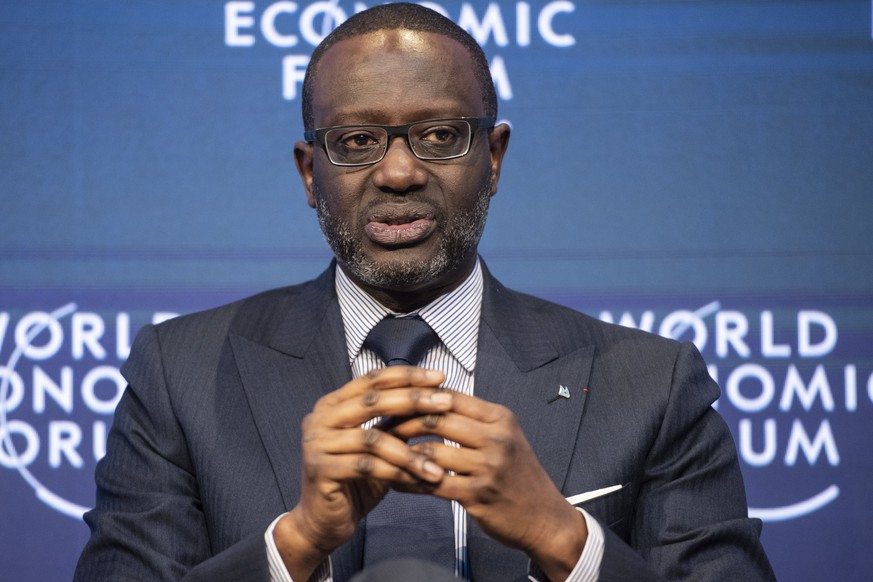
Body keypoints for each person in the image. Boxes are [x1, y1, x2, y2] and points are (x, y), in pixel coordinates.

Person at [75, 3, 775, 581]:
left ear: (492, 158)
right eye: (356, 141)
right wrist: (292, 546)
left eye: (440, 134)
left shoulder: (650, 384)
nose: (400, 172)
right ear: (309, 172)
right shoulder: (182, 373)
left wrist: (564, 538)